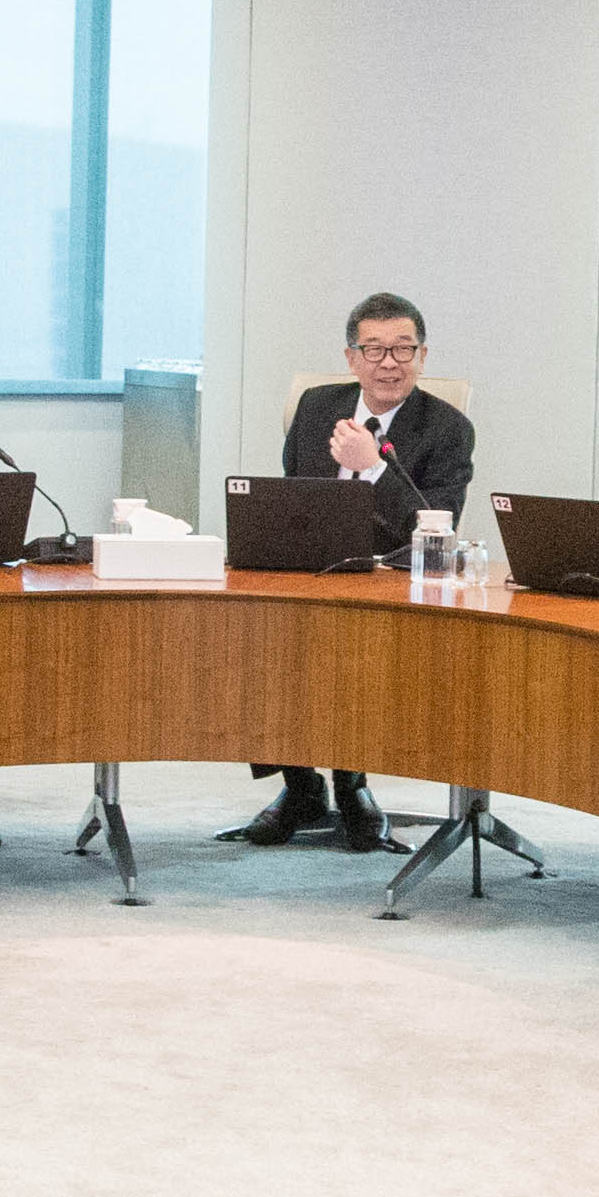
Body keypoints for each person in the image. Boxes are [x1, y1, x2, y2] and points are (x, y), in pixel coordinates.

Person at [248, 293, 474, 848]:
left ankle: (352, 786)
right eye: (374, 350)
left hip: (392, 581)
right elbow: (293, 495)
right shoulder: (315, 407)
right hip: (313, 571)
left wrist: (372, 468)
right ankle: (301, 786)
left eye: (403, 349)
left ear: (423, 356)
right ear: (352, 358)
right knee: (257, 629)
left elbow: (434, 527)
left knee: (348, 647)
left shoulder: (448, 428)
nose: (388, 364)